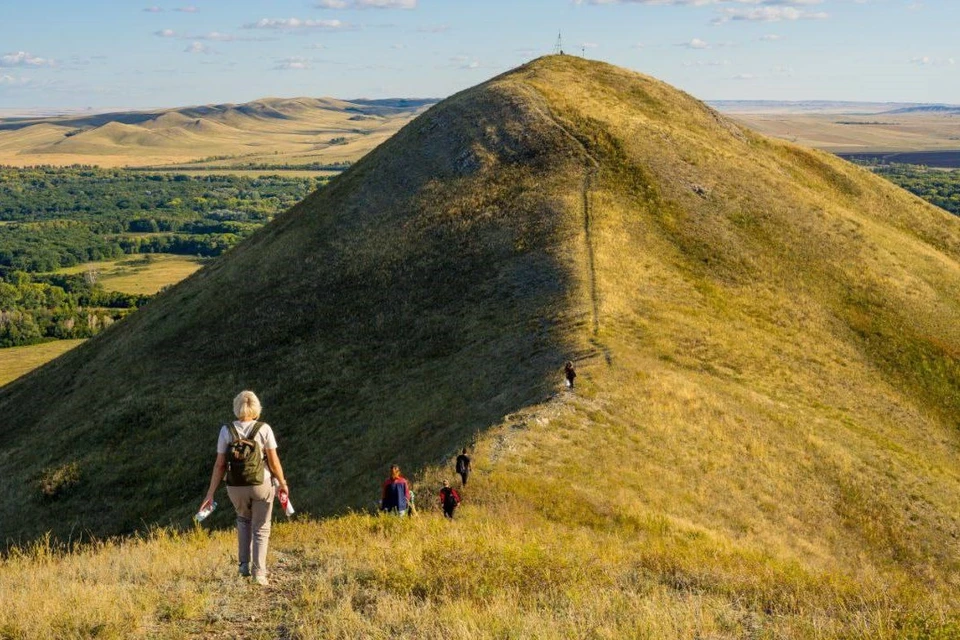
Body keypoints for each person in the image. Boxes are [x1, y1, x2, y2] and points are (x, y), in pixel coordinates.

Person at [200, 390, 289, 586]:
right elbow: (273, 462)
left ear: (236, 407)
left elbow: (219, 464)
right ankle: (259, 573)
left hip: (235, 486)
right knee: (261, 527)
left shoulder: (226, 431)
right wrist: (282, 483)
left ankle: (243, 566)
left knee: (243, 521)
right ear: (257, 408)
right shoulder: (264, 429)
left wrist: (210, 492)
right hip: (261, 484)